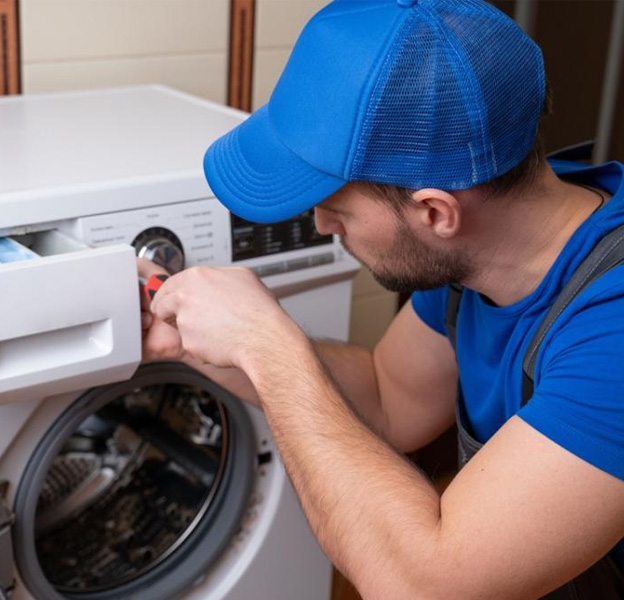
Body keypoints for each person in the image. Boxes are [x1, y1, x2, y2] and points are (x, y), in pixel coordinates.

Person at [139, 0, 624, 597]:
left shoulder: (612, 331)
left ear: (434, 211)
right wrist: (205, 347)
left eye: (336, 208)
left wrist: (269, 346)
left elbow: (422, 587)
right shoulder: (483, 251)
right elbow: (391, 398)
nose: (320, 225)